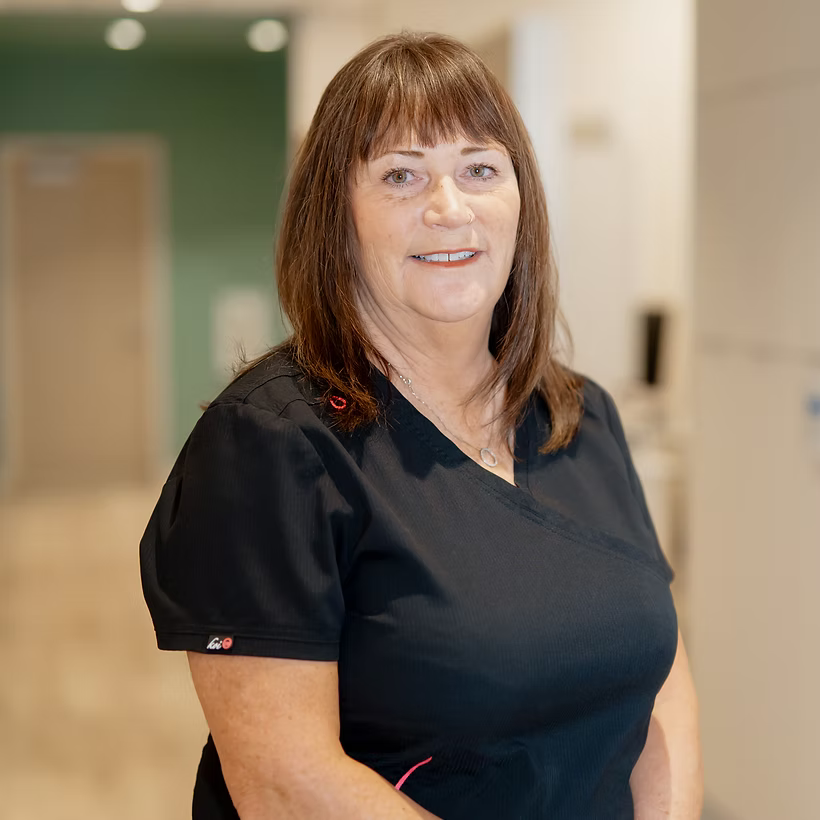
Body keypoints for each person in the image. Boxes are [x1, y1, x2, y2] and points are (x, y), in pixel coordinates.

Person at [140, 31, 703, 820]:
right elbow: (286, 783)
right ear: (337, 217)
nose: (449, 208)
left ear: (520, 202)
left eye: (480, 169)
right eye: (401, 176)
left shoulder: (579, 417)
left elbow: (662, 673)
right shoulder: (271, 446)